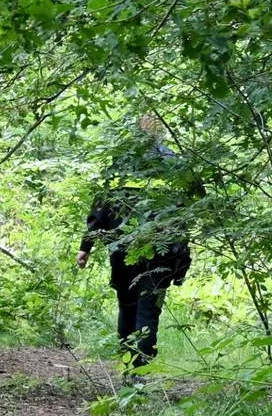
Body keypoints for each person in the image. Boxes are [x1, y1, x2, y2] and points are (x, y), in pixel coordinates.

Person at [76, 114, 195, 380]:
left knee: (127, 307)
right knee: (148, 310)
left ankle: (129, 364)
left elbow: (101, 207)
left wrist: (86, 246)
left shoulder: (121, 163)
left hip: (124, 248)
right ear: (160, 133)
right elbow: (185, 213)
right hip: (161, 251)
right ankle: (139, 372)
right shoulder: (173, 163)